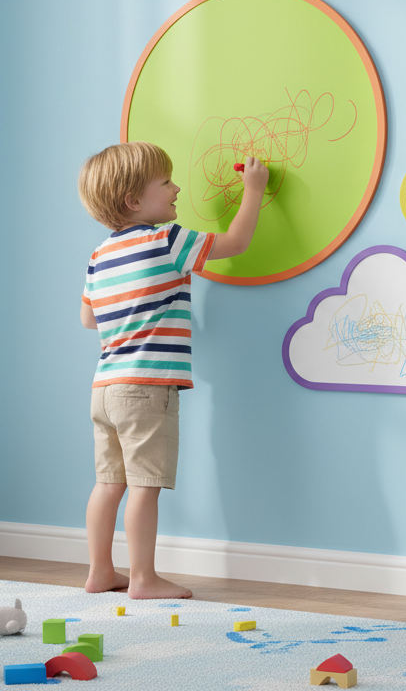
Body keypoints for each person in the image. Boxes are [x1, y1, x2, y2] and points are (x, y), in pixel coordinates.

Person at [76, 142, 268, 598]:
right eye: (166, 182)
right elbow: (236, 242)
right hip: (147, 385)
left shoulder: (100, 254)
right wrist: (253, 191)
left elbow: (89, 319)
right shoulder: (167, 239)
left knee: (109, 482)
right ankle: (142, 578)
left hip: (105, 386)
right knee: (146, 485)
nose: (177, 187)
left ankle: (100, 571)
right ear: (134, 202)